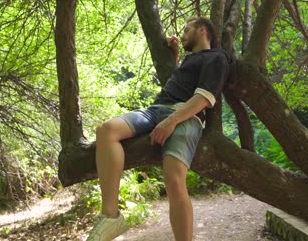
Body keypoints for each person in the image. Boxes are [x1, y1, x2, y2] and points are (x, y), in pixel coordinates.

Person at [87, 17, 231, 241]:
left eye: (187, 30)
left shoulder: (217, 57)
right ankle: (111, 216)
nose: (182, 35)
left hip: (186, 117)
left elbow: (203, 98)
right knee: (106, 130)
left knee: (174, 180)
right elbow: (180, 83)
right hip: (154, 111)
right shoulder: (191, 60)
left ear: (202, 31)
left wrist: (171, 121)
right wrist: (175, 57)